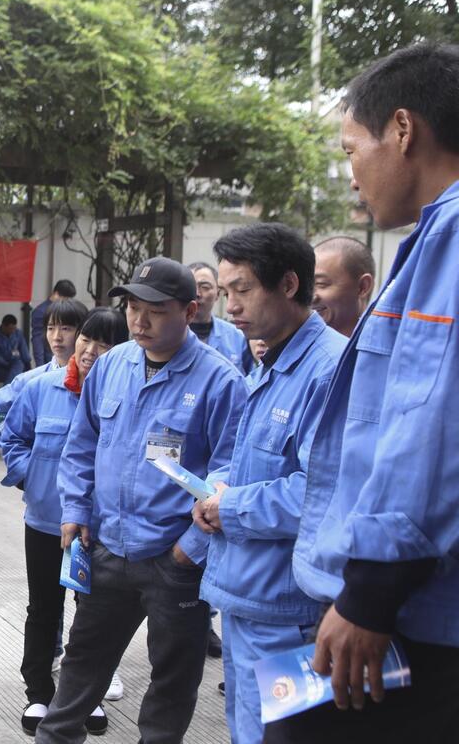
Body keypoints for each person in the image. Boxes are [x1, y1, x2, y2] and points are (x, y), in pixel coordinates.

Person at [271, 42, 459, 743]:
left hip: (409, 616)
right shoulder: (432, 238)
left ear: (403, 130)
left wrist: (372, 595)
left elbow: (430, 426)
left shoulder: (452, 240)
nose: (352, 176)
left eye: (352, 150)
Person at [35, 257, 246, 744]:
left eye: (156, 310)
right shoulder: (112, 365)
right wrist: (75, 510)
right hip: (108, 551)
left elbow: (229, 473)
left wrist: (188, 552)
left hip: (175, 561)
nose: (139, 321)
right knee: (80, 667)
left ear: (189, 311)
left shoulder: (219, 381)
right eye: (133, 307)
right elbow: (81, 444)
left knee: (173, 678)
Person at [188, 224, 348, 744]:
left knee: (278, 736)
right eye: (225, 290)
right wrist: (214, 489)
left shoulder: (328, 370)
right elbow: (243, 457)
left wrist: (230, 507)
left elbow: (321, 493)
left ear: (289, 284)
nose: (230, 305)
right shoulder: (269, 360)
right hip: (246, 596)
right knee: (247, 730)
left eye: (243, 289)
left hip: (288, 611)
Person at [0, 307, 129, 736]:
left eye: (104, 344)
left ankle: (84, 696)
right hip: (45, 523)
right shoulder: (40, 388)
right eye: (86, 339)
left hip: (99, 529)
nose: (90, 350)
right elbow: (13, 438)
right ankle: (38, 691)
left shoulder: (126, 396)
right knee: (43, 608)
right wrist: (31, 479)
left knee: (91, 614)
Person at [0, 299, 88, 420]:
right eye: (50, 328)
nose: (56, 337)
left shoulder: (95, 380)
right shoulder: (30, 380)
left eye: (65, 328)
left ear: (83, 333)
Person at [188, 260, 251, 374]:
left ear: (217, 294)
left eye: (204, 287)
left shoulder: (237, 336)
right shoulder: (169, 334)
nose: (197, 293)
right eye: (191, 286)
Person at [311, 236, 376, 337]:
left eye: (321, 283)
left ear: (363, 287)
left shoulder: (386, 343)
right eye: (306, 284)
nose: (309, 296)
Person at [31, 279, 78, 367]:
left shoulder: (65, 310)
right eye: (65, 298)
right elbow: (38, 341)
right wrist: (40, 365)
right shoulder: (41, 312)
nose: (67, 302)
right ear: (56, 294)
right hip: (49, 358)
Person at [0, 313, 31, 382]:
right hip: (0, 368)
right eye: (10, 329)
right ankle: (10, 385)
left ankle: (8, 387)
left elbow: (25, 353)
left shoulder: (18, 334)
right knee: (17, 373)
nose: (13, 331)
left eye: (14, 328)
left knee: (19, 364)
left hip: (17, 366)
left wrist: (29, 368)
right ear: (3, 326)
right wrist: (8, 364)